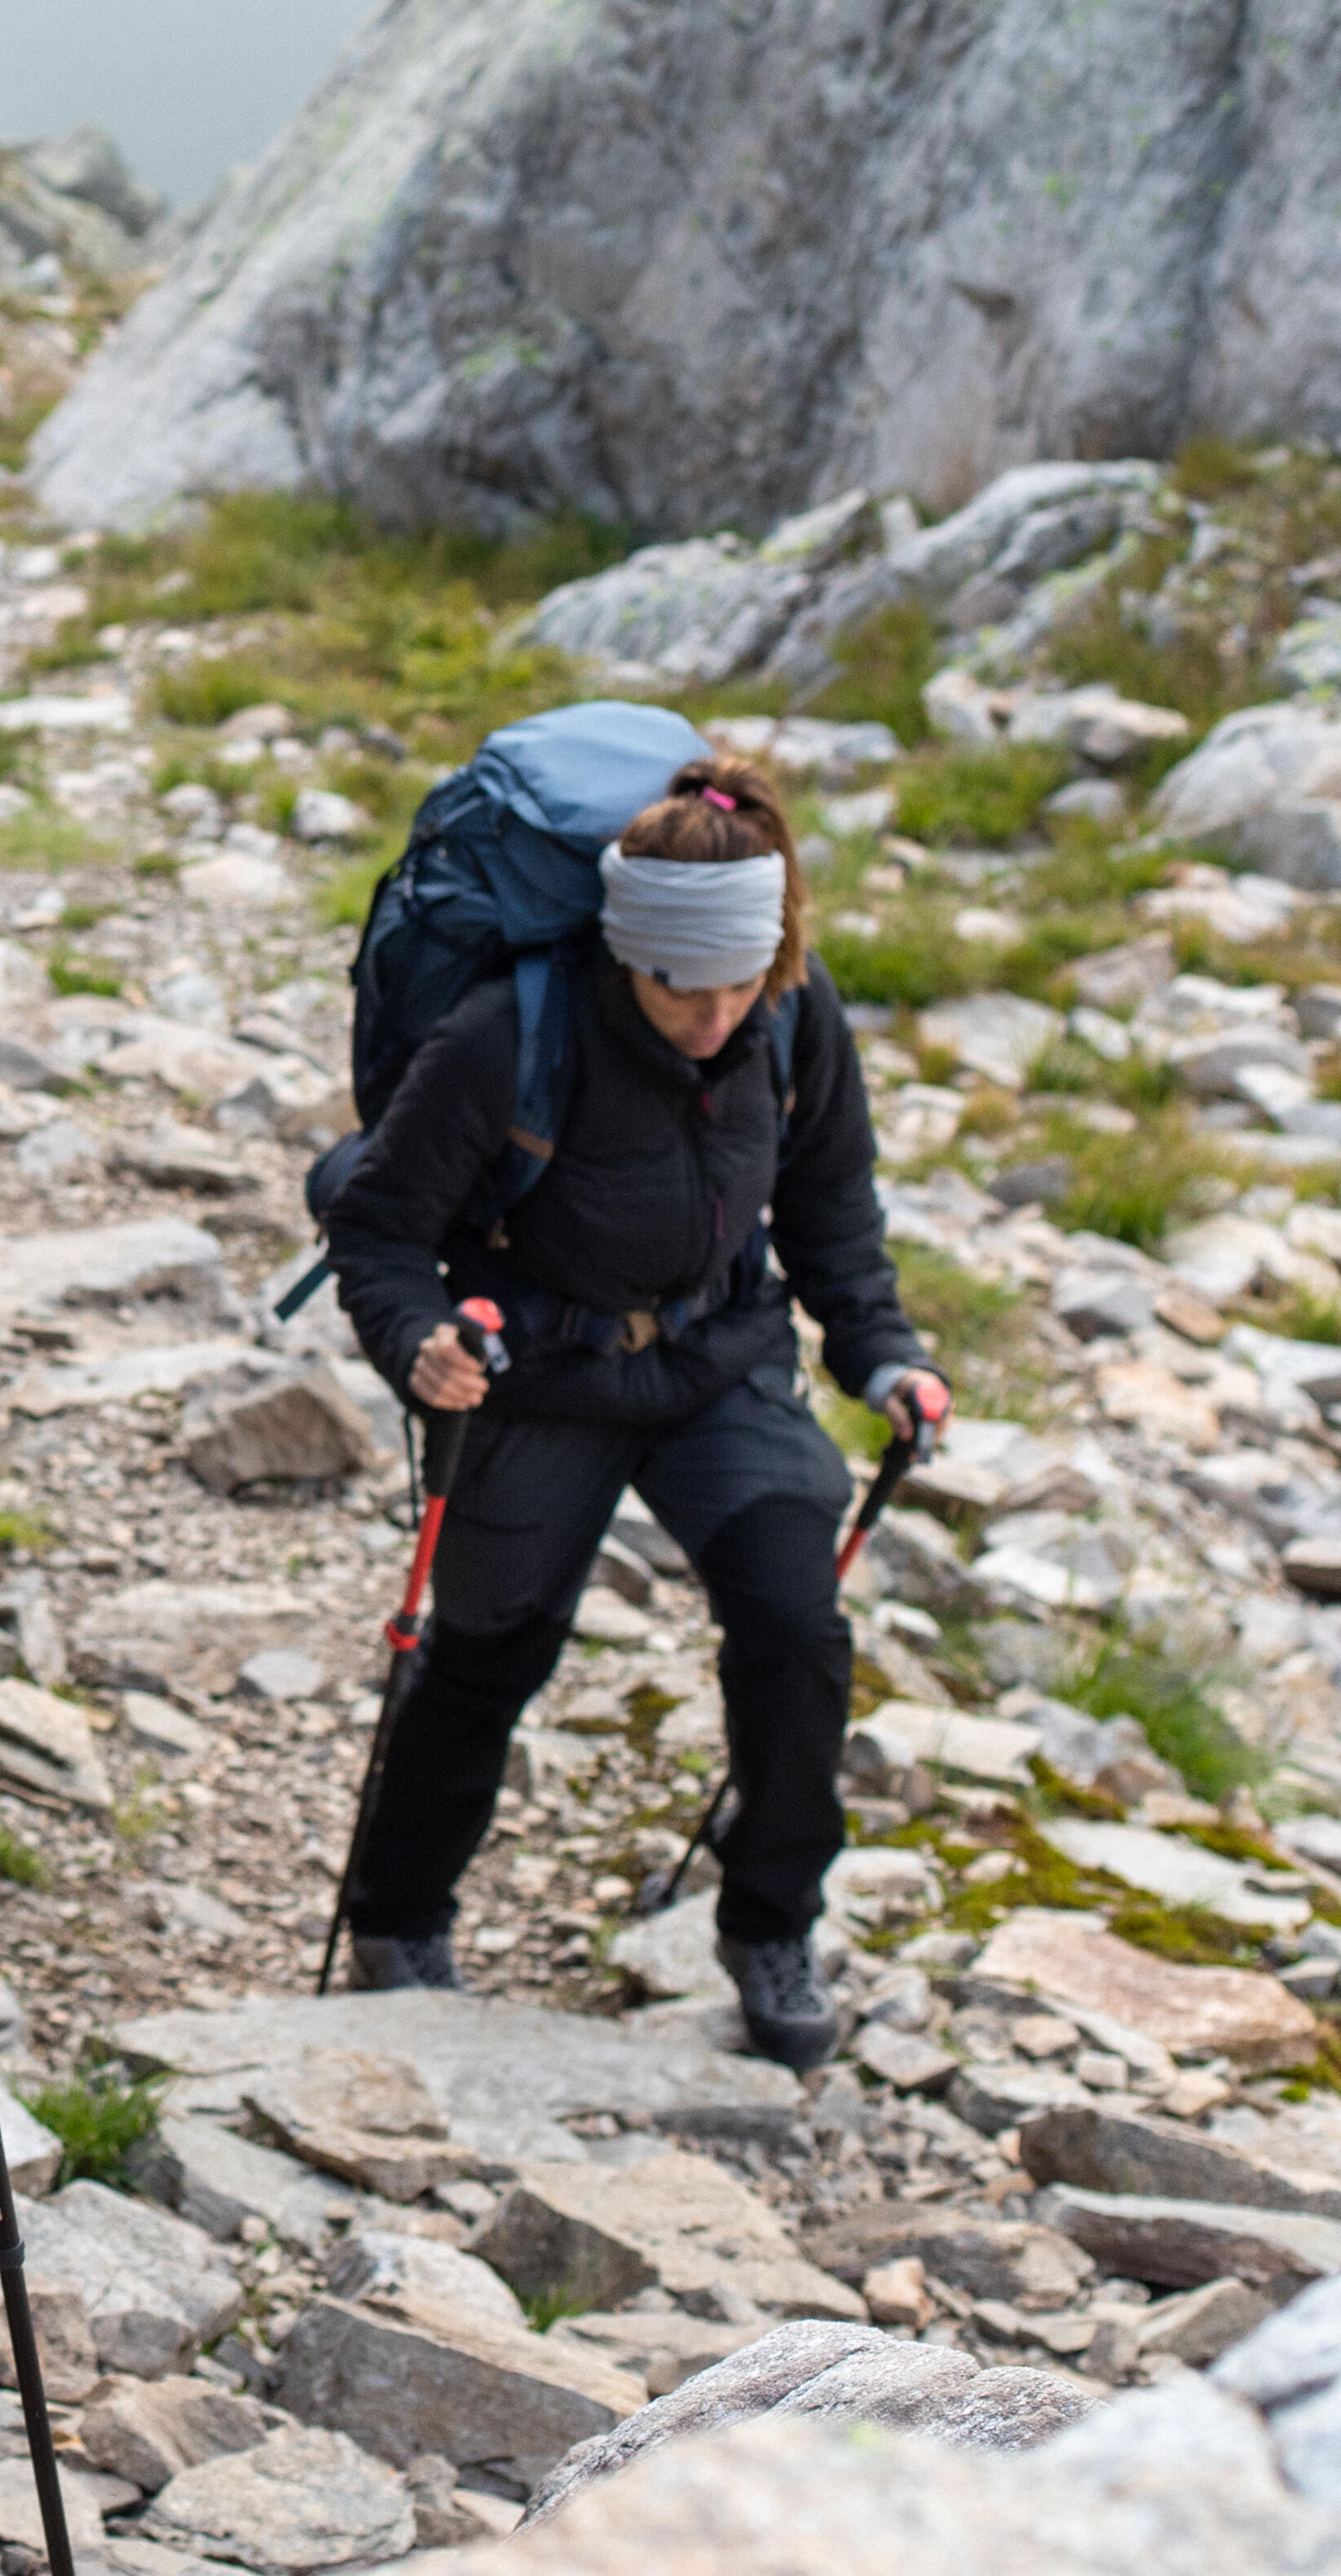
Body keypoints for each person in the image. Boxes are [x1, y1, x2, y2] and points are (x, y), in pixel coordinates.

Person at [321, 751, 945, 2066]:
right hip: (540, 1373)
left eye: (742, 985)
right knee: (490, 1648)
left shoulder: (790, 1013)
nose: (715, 1015)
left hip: (719, 1360)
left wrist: (883, 1357)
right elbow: (379, 1227)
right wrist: (421, 1340)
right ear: (627, 956)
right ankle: (398, 1919)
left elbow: (831, 1202)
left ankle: (769, 1917)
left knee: (794, 1630)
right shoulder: (511, 1033)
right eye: (682, 988)